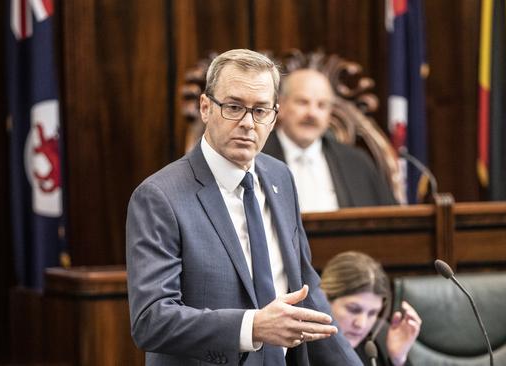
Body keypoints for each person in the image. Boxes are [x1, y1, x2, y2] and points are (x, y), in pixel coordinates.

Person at [126, 49, 362, 366]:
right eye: (234, 107)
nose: (248, 123)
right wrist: (252, 326)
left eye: (261, 110)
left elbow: (308, 289)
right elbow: (151, 320)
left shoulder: (280, 177)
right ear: (206, 108)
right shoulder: (159, 197)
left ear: (274, 117)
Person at [261, 68, 397, 212]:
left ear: (330, 114)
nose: (312, 113)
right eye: (302, 102)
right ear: (281, 106)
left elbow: (391, 222)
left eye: (321, 105)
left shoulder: (356, 162)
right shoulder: (255, 158)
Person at [320, 251, 422, 366]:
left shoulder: (379, 340)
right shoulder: (302, 346)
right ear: (323, 299)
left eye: (372, 313)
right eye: (353, 310)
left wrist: (398, 360)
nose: (361, 324)